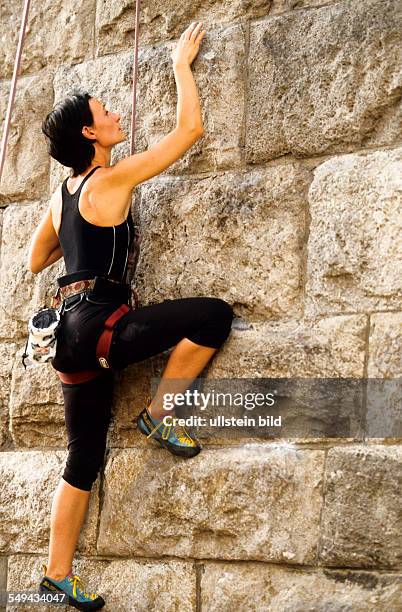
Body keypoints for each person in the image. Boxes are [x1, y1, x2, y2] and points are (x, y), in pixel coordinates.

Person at [27, 21, 234, 611]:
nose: (117, 114)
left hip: (67, 332)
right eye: (106, 111)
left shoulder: (63, 193)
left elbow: (39, 255)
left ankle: (56, 573)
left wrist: (83, 242)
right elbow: (189, 130)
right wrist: (181, 67)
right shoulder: (112, 177)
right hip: (99, 323)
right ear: (91, 133)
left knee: (83, 455)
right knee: (213, 317)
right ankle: (159, 414)